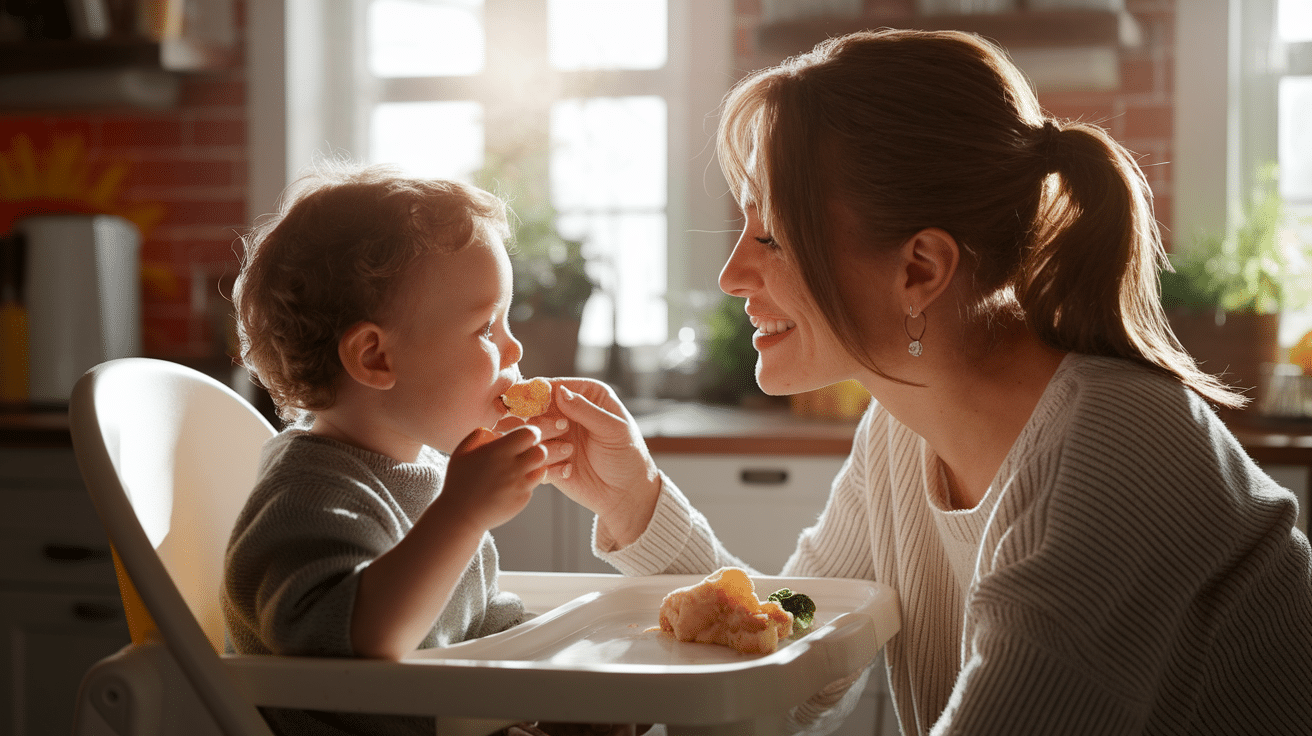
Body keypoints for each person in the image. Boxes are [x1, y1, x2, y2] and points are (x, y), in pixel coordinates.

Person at [532, 29, 1312, 735]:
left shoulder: (1122, 447)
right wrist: (635, 503)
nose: (733, 274)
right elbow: (789, 669)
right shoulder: (902, 431)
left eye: (771, 236)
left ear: (920, 269)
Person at [223, 163, 571, 734]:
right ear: (375, 358)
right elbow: (361, 645)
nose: (513, 348)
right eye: (486, 328)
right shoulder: (306, 497)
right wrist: (462, 514)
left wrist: (570, 692)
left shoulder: (429, 473)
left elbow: (474, 622)